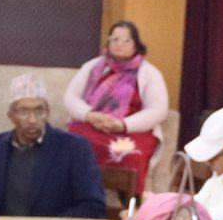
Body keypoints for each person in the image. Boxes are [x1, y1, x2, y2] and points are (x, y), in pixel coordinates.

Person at [0, 75, 106, 219]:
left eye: (39, 111)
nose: (33, 120)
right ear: (11, 116)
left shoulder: (74, 148)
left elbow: (93, 206)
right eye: (24, 112)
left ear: (48, 113)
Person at [60, 21, 170, 177]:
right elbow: (70, 97)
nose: (119, 44)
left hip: (131, 131)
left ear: (136, 45)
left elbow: (158, 110)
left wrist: (122, 125)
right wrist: (89, 115)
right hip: (93, 124)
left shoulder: (150, 73)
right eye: (115, 39)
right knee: (73, 144)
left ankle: (124, 193)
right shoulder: (92, 66)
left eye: (126, 40)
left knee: (129, 156)